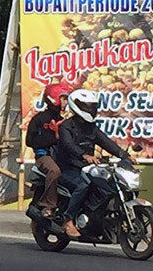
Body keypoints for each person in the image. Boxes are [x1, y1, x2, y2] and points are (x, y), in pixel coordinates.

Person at [57, 89, 131, 238]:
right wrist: (84, 155)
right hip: (68, 167)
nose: (90, 110)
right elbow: (68, 145)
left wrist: (124, 155)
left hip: (86, 167)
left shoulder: (91, 127)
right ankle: (68, 219)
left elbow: (106, 142)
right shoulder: (66, 126)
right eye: (86, 106)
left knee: (106, 184)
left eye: (92, 106)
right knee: (82, 185)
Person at [26, 82, 72, 217]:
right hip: (44, 157)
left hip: (60, 156)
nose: (65, 102)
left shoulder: (64, 120)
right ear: (54, 98)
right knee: (54, 171)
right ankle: (48, 205)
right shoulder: (39, 119)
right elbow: (30, 141)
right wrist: (55, 137)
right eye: (63, 98)